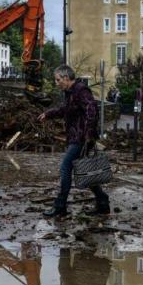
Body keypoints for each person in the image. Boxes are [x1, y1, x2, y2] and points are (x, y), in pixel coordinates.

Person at [38, 65, 110, 217]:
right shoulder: (70, 93)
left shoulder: (80, 90)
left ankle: (60, 206)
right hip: (77, 137)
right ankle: (102, 202)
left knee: (65, 167)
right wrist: (48, 114)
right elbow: (65, 110)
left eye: (58, 80)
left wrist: (88, 133)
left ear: (66, 78)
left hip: (81, 138)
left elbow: (92, 109)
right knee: (85, 170)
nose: (56, 83)